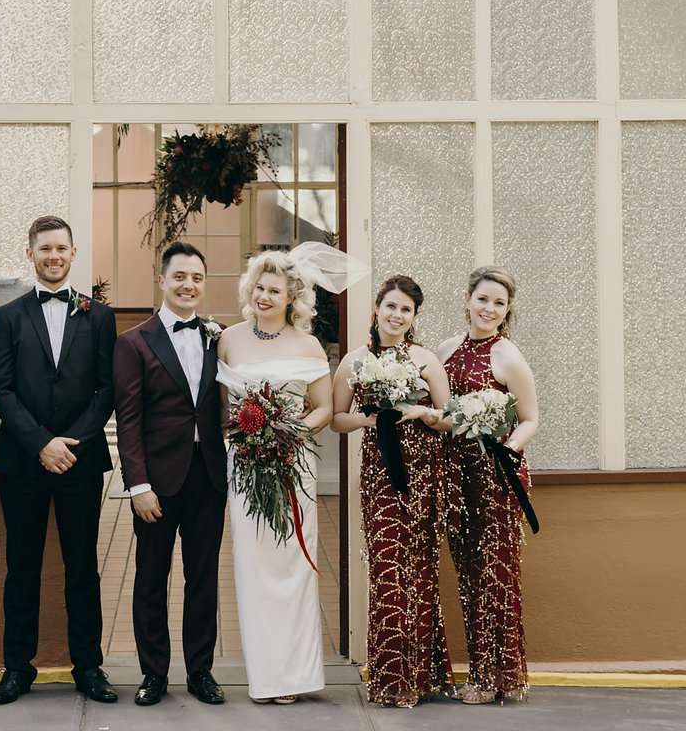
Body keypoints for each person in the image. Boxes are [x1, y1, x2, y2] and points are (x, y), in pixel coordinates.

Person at [0, 216, 118, 706]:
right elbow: (0, 389)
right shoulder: (8, 316)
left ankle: (88, 666)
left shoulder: (99, 317)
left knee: (82, 566)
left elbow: (107, 389)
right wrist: (42, 443)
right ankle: (17, 668)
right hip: (23, 461)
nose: (53, 256)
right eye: (45, 248)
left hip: (80, 462)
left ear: (73, 252)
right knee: (21, 566)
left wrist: (70, 443)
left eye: (61, 248)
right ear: (31, 254)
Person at [112, 241, 227, 709]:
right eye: (180, 276)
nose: (188, 285)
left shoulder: (218, 337)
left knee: (203, 578)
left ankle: (200, 671)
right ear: (162, 280)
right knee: (150, 578)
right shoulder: (133, 342)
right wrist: (138, 485)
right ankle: (154, 673)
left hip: (208, 477)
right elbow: (128, 420)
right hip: (157, 481)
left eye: (197, 278)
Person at [217, 249, 333, 705]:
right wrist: (247, 439)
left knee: (291, 566)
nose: (263, 296)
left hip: (292, 466)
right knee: (253, 567)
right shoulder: (229, 340)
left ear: (291, 298)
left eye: (274, 291)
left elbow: (323, 408)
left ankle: (295, 676)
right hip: (245, 467)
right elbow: (223, 411)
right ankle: (265, 677)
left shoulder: (308, 345)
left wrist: (287, 434)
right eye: (259, 287)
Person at [331, 274, 453, 707]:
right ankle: (390, 679)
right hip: (380, 474)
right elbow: (337, 419)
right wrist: (369, 418)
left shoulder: (425, 359)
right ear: (377, 309)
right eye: (391, 306)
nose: (397, 315)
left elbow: (450, 418)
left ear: (413, 316)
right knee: (387, 570)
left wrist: (421, 412)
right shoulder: (355, 360)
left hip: (423, 474)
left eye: (406, 310)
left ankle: (422, 676)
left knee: (419, 570)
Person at [438, 266, 539, 705]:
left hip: (496, 477)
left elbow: (530, 418)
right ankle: (483, 671)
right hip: (457, 474)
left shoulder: (508, 356)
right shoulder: (445, 349)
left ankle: (494, 677)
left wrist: (508, 449)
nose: (489, 309)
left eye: (499, 303)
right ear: (467, 299)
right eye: (483, 299)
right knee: (467, 574)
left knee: (495, 575)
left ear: (507, 309)